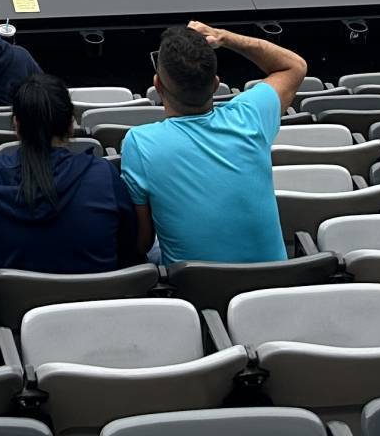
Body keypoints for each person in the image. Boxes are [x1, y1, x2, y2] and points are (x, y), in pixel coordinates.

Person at [118, 22, 305, 265]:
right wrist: (225, 37)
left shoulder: (139, 143)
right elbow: (294, 65)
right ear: (216, 84)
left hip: (194, 292)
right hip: (271, 288)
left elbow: (142, 242)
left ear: (157, 86)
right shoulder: (251, 116)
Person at [0, 73, 138, 273]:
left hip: (12, 303)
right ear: (71, 124)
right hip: (100, 301)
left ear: (16, 125)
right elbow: (128, 248)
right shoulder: (104, 176)